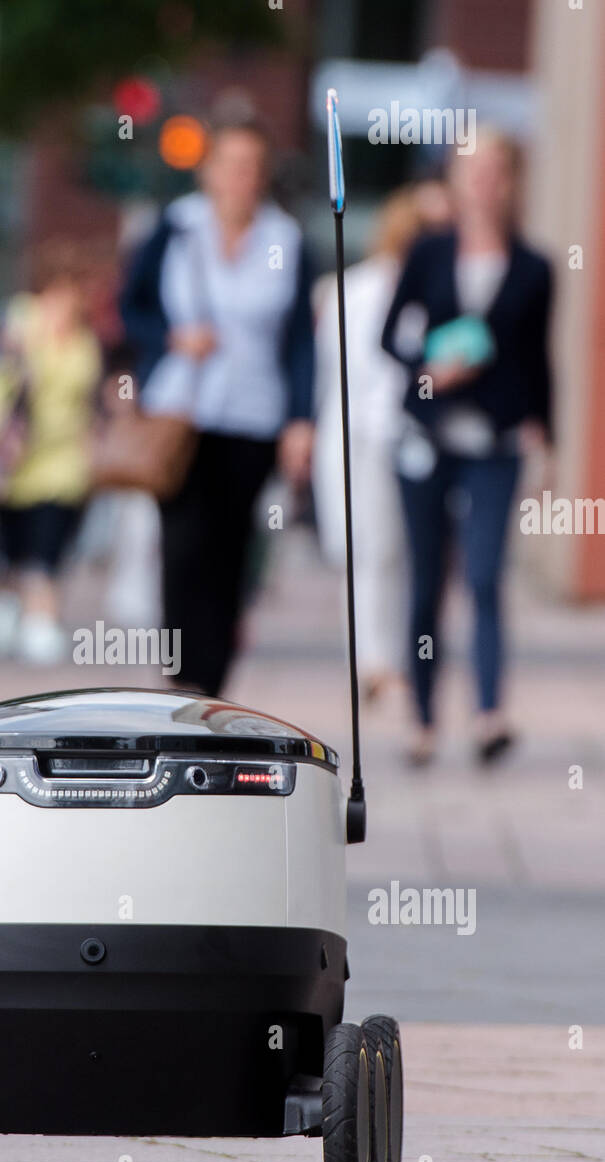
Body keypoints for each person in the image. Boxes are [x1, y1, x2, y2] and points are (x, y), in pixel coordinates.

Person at [120, 117, 315, 696]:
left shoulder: (286, 240)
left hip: (253, 415)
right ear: (208, 172)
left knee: (232, 550)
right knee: (181, 546)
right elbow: (131, 307)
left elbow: (301, 337)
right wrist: (171, 339)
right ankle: (181, 675)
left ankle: (212, 681)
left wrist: (302, 418)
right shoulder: (177, 228)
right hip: (181, 411)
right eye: (230, 166)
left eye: (251, 168)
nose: (240, 178)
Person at [381, 131, 553, 765]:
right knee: (426, 581)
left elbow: (539, 360)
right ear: (453, 178)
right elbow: (388, 337)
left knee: (483, 575)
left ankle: (488, 714)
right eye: (471, 168)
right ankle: (423, 719)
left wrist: (546, 431)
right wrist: (431, 366)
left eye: (495, 169)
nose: (483, 181)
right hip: (426, 436)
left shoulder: (533, 266)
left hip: (496, 442)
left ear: (510, 180)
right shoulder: (428, 252)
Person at [313, 186, 441, 701]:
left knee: (395, 553)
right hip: (365, 433)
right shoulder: (358, 289)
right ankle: (373, 659)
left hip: (405, 435)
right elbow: (345, 371)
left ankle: (385, 657)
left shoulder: (430, 289)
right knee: (370, 549)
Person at [0, 242, 102, 665]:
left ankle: (41, 622)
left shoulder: (84, 340)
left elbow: (89, 399)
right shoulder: (19, 322)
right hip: (15, 459)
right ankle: (9, 605)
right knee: (14, 548)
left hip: (64, 462)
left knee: (49, 547)